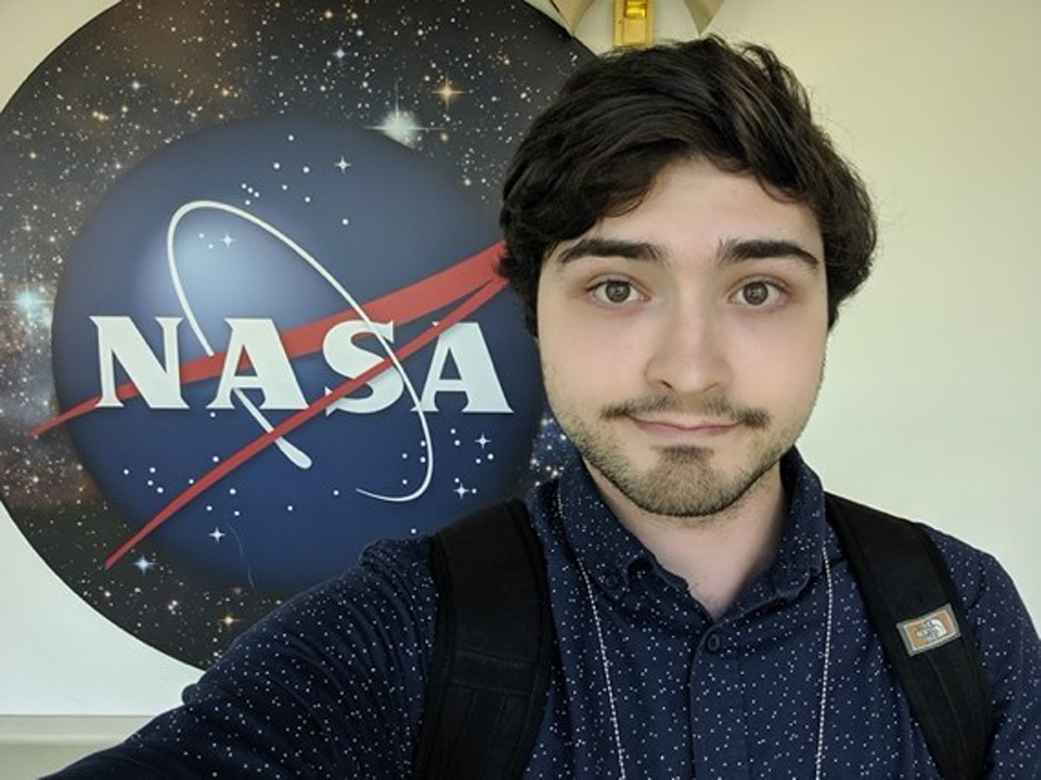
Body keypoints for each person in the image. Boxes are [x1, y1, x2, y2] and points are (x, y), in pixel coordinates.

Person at [49, 36, 1039, 779]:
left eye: (758, 290)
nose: (689, 369)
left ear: (828, 313)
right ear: (535, 313)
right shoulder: (401, 631)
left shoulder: (958, 612)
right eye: (617, 287)